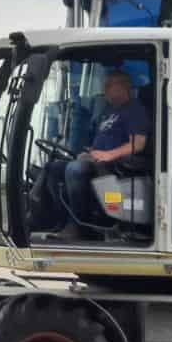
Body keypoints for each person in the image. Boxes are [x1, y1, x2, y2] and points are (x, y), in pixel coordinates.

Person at [63, 69, 150, 229]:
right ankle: (48, 220)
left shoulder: (134, 110)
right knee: (54, 168)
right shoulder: (108, 111)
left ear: (124, 87)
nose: (105, 89)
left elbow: (138, 144)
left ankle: (78, 226)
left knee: (74, 169)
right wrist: (90, 153)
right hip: (97, 159)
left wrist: (109, 154)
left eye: (109, 85)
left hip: (114, 165)